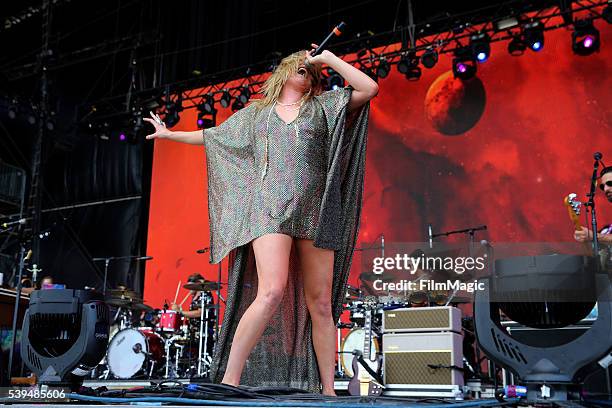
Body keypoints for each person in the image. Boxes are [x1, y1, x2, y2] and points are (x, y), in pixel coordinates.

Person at [144, 43, 377, 395]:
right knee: (270, 292)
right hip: (268, 210)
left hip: (316, 210)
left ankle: (329, 391)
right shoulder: (257, 115)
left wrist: (327, 59)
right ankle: (229, 381)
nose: (307, 70)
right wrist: (169, 134)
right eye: (301, 66)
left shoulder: (324, 106)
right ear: (284, 72)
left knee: (322, 303)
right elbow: (214, 137)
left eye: (311, 70)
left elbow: (369, 88)